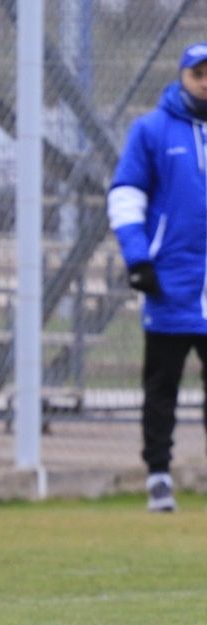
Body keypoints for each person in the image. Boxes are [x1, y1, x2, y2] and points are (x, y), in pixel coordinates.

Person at [108, 41, 207, 513]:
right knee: (161, 387)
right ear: (183, 76)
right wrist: (138, 259)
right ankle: (159, 477)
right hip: (171, 286)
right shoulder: (150, 130)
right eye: (198, 73)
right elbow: (126, 194)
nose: (206, 82)